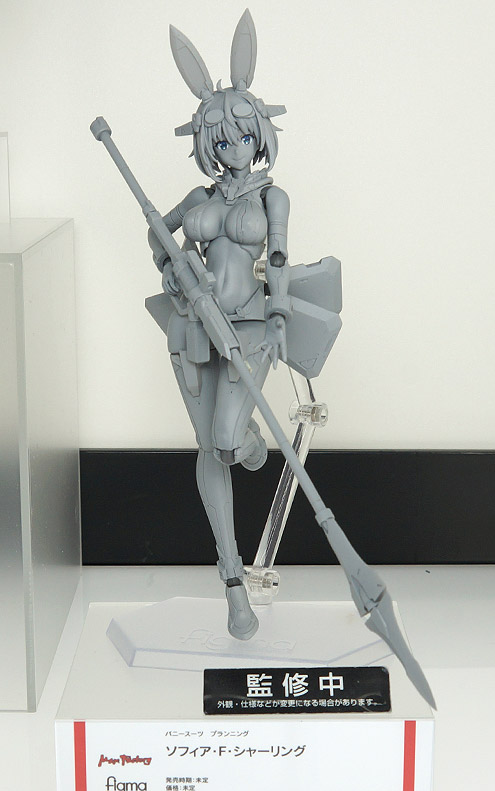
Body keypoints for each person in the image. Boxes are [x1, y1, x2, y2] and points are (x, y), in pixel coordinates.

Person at [147, 10, 290, 640]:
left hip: (250, 327)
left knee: (231, 442)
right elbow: (158, 237)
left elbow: (277, 258)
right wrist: (173, 273)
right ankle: (233, 582)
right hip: (193, 330)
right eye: (221, 141)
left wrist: (280, 313)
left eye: (242, 136)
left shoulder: (271, 198)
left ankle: (252, 446)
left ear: (259, 134)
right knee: (209, 450)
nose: (233, 149)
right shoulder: (198, 201)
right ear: (207, 145)